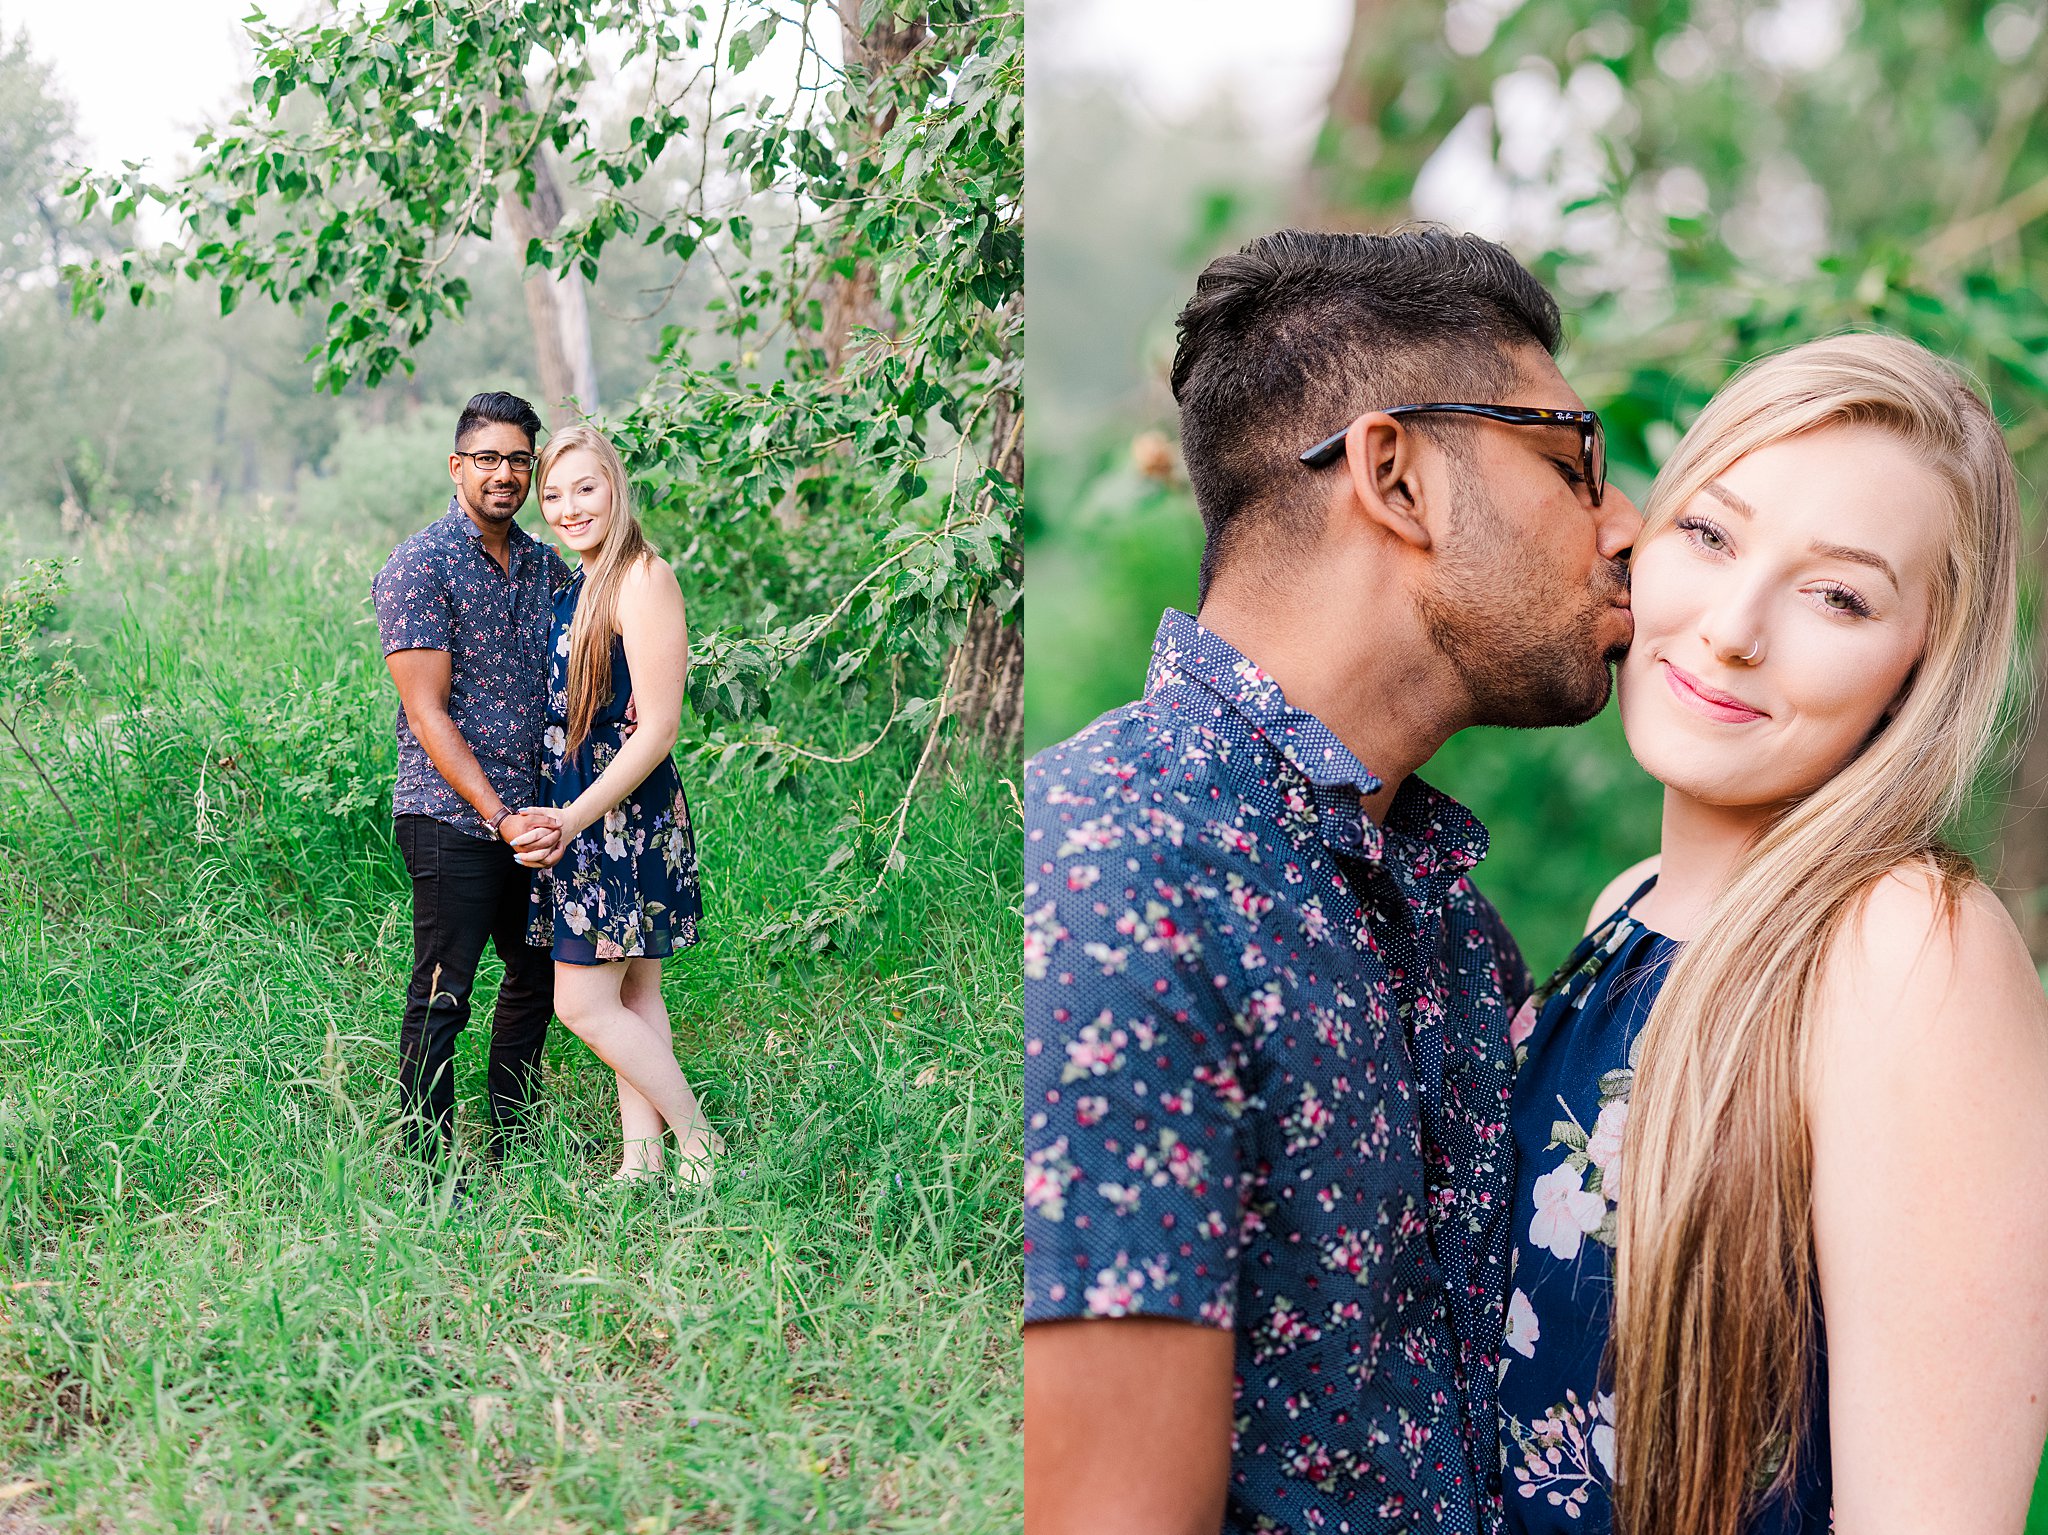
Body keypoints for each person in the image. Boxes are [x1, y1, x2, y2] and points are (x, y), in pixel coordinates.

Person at [1024, 227, 1641, 1535]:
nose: (1625, 523)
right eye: (1571, 461)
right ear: (1396, 475)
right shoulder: (1113, 879)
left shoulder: (1454, 929)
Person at [1499, 334, 2048, 1535]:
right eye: (1709, 534)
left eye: (1837, 594)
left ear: (1917, 669)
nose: (1733, 627)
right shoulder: (1625, 913)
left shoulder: (1906, 946)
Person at [514, 424, 719, 1185]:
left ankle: (698, 1139)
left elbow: (658, 728)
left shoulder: (643, 577)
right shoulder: (581, 583)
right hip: (582, 808)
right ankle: (644, 1160)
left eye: (585, 488)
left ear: (615, 487)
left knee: (582, 1002)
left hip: (620, 814)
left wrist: (573, 817)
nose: (569, 508)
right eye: (554, 495)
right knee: (635, 989)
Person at [372, 391, 567, 1166]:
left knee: (538, 972)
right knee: (445, 990)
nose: (505, 473)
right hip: (450, 813)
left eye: (520, 459)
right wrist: (499, 815)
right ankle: (427, 1168)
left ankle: (513, 1144)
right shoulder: (420, 566)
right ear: (457, 466)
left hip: (536, 813)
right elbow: (428, 714)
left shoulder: (544, 565)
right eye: (488, 458)